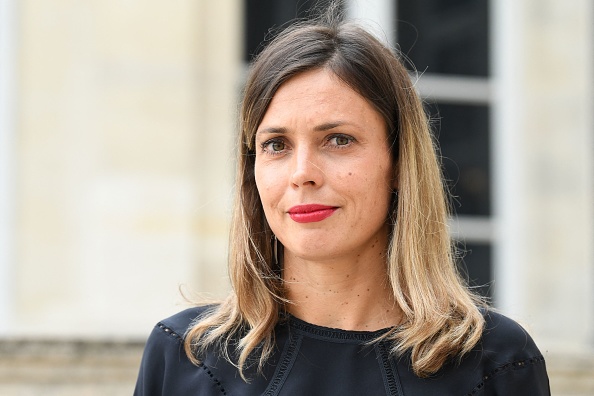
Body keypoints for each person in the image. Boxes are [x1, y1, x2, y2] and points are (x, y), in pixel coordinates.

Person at [134, 9, 550, 396]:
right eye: (276, 145)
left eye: (338, 140)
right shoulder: (185, 358)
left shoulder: (496, 364)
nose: (302, 172)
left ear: (400, 163)